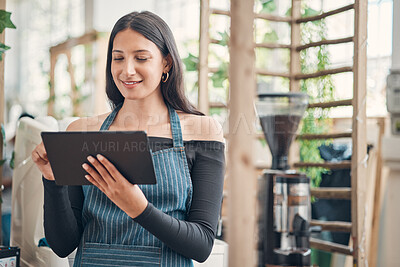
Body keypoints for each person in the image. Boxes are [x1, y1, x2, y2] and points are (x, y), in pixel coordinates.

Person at [32, 11, 225, 266]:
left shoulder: (203, 131)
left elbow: (201, 245)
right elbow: (63, 245)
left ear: (166, 63)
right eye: (118, 58)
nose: (127, 70)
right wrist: (52, 180)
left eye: (141, 58)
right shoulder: (82, 130)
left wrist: (139, 209)